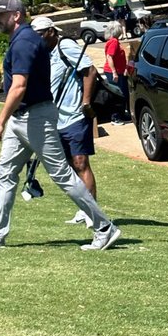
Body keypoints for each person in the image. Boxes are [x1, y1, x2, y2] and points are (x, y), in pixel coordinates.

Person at [0, 0, 121, 252]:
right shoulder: (23, 39)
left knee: (62, 175)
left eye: (0, 15)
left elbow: (19, 86)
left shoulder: (24, 41)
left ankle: (104, 228)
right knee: (6, 172)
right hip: (22, 118)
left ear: (16, 16)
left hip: (35, 117)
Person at [34, 19, 100, 229]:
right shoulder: (44, 54)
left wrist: (86, 103)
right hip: (56, 119)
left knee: (81, 163)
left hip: (75, 116)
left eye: (41, 33)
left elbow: (90, 71)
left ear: (51, 31)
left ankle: (92, 212)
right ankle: (84, 208)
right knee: (70, 165)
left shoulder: (66, 46)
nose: (37, 38)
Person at [102, 20, 130, 123]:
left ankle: (121, 114)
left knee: (123, 93)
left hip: (119, 71)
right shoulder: (113, 42)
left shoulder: (114, 41)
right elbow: (110, 57)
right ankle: (115, 116)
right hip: (114, 72)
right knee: (117, 94)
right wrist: (114, 72)